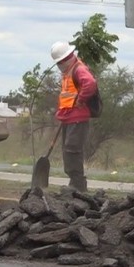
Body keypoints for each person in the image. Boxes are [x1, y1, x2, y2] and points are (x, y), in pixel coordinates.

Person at [51, 41, 98, 192]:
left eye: (59, 62)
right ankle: (74, 182)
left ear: (66, 59)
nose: (58, 65)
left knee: (72, 149)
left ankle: (78, 185)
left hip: (78, 118)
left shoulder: (78, 69)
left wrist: (81, 100)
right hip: (69, 117)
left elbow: (90, 83)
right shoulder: (69, 71)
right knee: (67, 150)